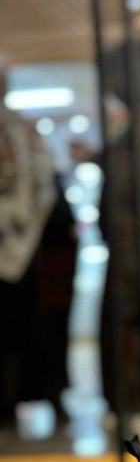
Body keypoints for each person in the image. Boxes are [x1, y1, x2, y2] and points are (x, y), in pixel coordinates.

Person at [0, 55, 76, 434]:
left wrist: (23, 227)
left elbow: (43, 188)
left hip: (32, 250)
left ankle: (40, 398)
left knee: (36, 329)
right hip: (23, 243)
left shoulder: (23, 131)